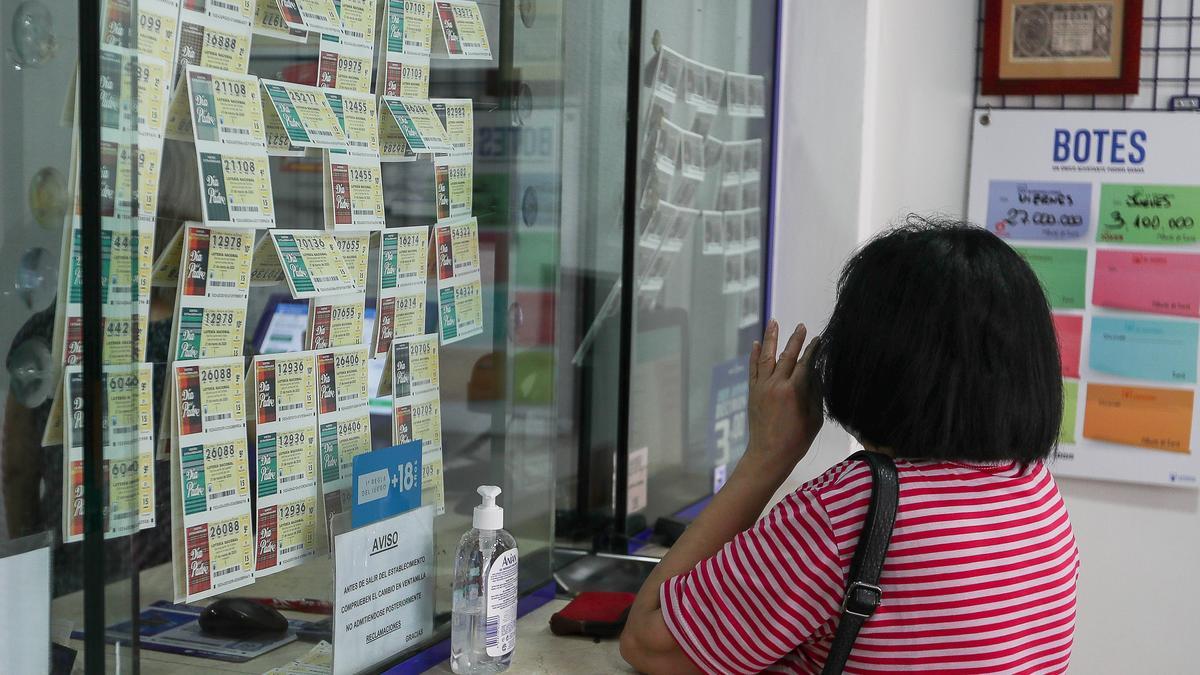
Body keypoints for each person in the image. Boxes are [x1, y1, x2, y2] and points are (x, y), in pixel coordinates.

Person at [620, 218, 1080, 674]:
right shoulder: (1037, 494)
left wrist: (766, 457)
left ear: (873, 360)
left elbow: (648, 642)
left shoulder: (856, 507)